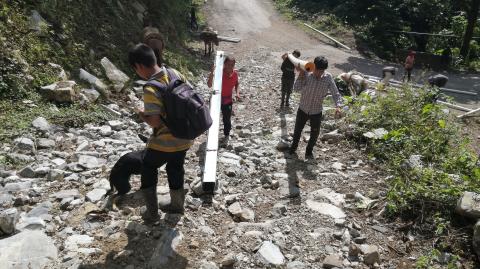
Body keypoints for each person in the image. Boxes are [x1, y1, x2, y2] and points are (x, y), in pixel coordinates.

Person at [128, 43, 193, 223]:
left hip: (165, 141)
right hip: (184, 137)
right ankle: (177, 206)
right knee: (175, 167)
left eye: (135, 69)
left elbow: (155, 121)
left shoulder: (151, 88)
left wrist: (142, 114)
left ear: (139, 66)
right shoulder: (174, 73)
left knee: (148, 166)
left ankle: (152, 213)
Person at [289, 56, 342, 160]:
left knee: (315, 133)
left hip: (316, 111)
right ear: (314, 67)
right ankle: (293, 148)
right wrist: (301, 75)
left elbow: (335, 93)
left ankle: (308, 152)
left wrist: (338, 106)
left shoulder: (328, 78)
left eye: (322, 71)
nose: (319, 73)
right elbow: (296, 89)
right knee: (297, 130)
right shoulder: (306, 73)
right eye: (317, 70)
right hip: (303, 109)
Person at [207, 55, 240, 145]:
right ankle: (211, 137)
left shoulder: (235, 74)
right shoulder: (219, 73)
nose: (230, 67)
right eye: (228, 64)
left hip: (227, 100)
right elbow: (209, 85)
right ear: (224, 64)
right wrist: (212, 72)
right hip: (216, 100)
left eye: (232, 65)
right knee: (212, 118)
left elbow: (237, 83)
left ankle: (226, 135)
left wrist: (237, 93)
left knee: (227, 119)